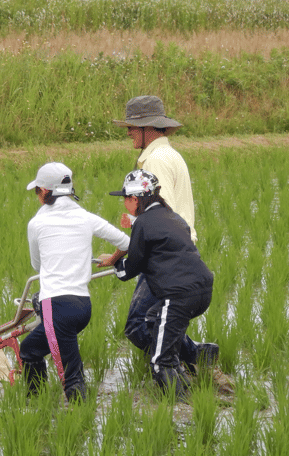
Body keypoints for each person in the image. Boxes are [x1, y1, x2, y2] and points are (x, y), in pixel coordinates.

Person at [112, 95, 219, 371]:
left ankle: (188, 361)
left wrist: (135, 231)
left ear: (147, 128)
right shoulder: (168, 154)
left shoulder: (156, 161)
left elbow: (161, 213)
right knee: (156, 319)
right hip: (176, 250)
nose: (128, 132)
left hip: (164, 254)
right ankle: (193, 361)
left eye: (131, 127)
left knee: (139, 323)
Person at [19, 162, 130, 404]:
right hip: (81, 308)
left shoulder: (36, 224)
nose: (37, 196)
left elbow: (38, 265)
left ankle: (69, 414)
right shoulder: (86, 217)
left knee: (71, 377)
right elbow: (127, 243)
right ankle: (37, 404)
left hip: (55, 307)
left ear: (44, 191)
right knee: (29, 350)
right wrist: (112, 259)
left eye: (37, 191)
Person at [109, 170, 214, 399]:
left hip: (179, 296)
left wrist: (115, 263)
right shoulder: (173, 217)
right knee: (152, 320)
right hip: (203, 289)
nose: (124, 203)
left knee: (160, 362)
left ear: (134, 199)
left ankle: (180, 408)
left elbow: (130, 270)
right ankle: (200, 357)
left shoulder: (143, 223)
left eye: (125, 198)